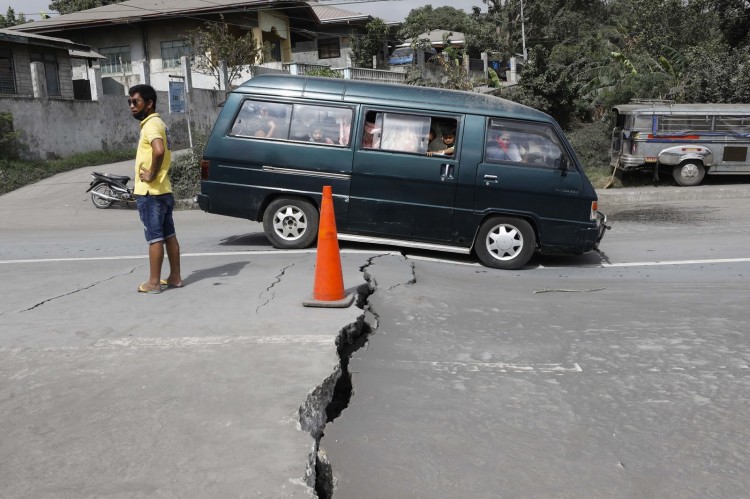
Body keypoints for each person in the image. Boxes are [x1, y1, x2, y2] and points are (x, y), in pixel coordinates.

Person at [128, 84, 183, 294]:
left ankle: (153, 282)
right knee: (169, 235)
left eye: (136, 102)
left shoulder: (150, 125)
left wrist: (150, 173)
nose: (132, 106)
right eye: (130, 102)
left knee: (155, 237)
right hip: (164, 190)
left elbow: (158, 151)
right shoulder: (160, 123)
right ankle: (175, 277)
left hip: (151, 192)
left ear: (149, 103)